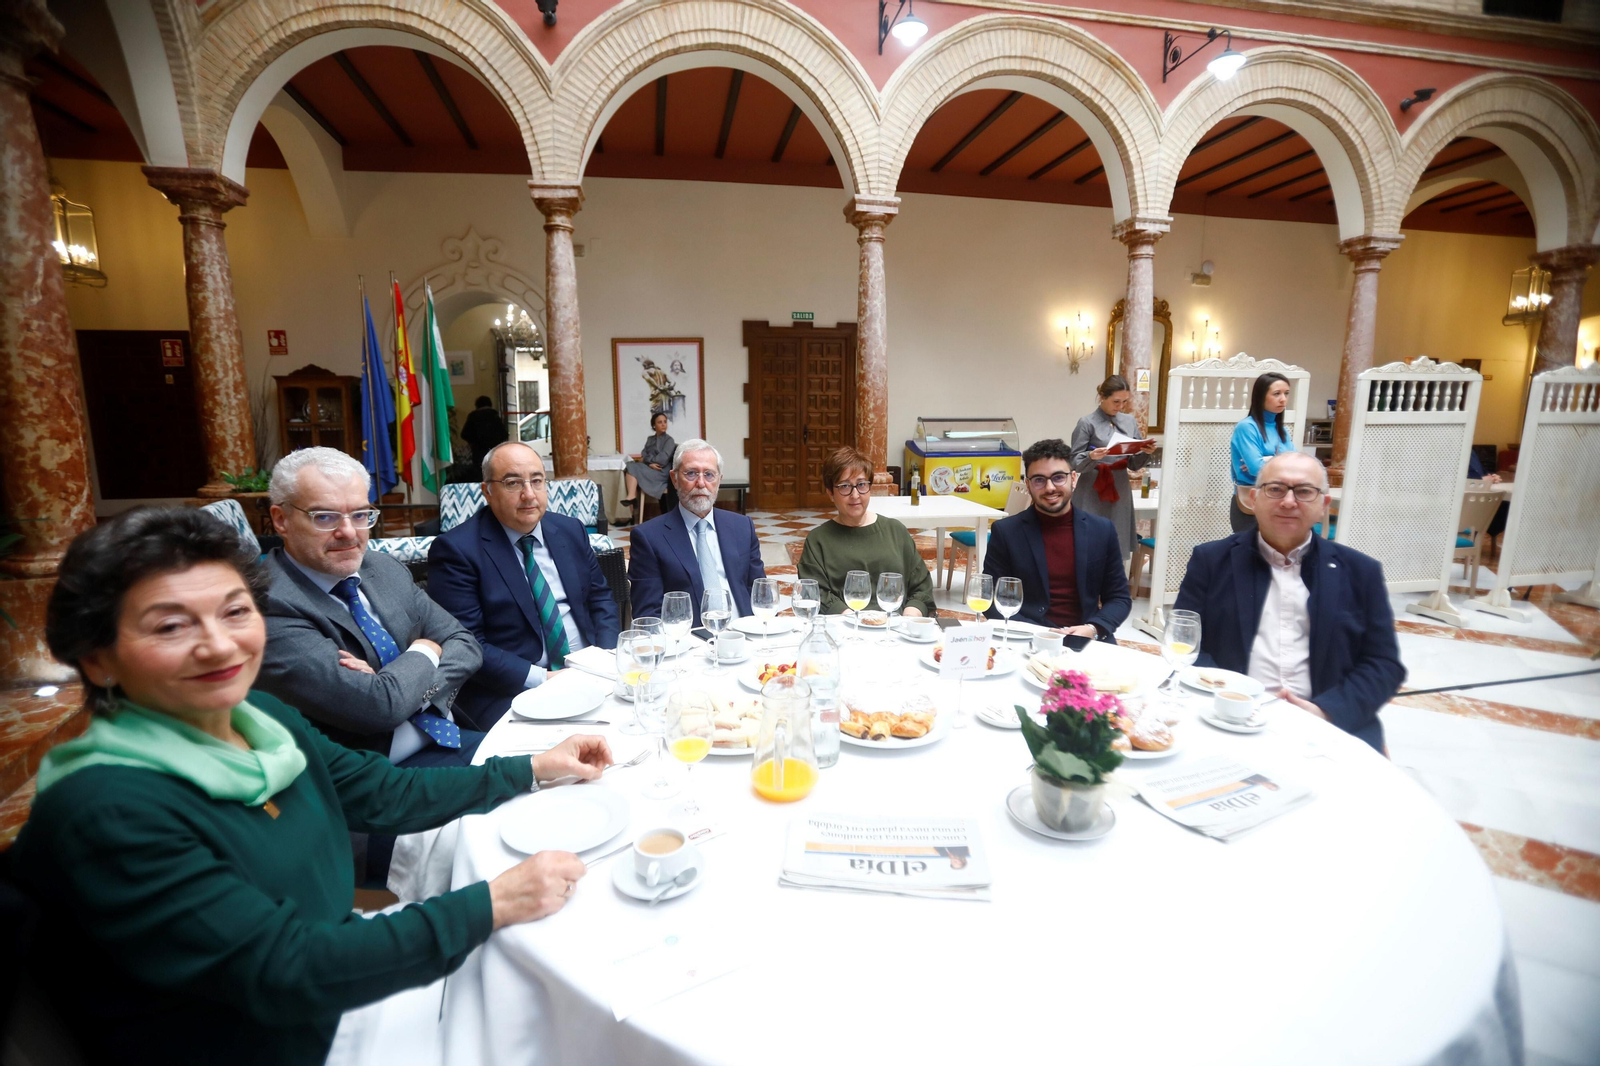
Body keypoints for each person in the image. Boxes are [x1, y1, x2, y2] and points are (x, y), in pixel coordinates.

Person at [7, 507, 612, 1065]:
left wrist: (533, 767)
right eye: (170, 626)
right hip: (279, 1039)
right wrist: (493, 903)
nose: (218, 644)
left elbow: (382, 792)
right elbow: (285, 970)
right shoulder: (107, 809)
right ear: (97, 659)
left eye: (235, 612)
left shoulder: (258, 719)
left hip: (332, 977)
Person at [257, 448, 482, 767]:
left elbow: (465, 644)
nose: (349, 532)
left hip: (450, 734)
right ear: (281, 519)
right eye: (325, 517)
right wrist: (427, 650)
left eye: (360, 515)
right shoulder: (267, 604)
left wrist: (399, 687)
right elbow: (379, 707)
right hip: (378, 771)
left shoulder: (382, 568)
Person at [1173, 452, 1405, 753]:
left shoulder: (1361, 572)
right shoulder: (1211, 560)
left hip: (1327, 727)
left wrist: (1326, 711)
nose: (1288, 501)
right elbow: (1184, 642)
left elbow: (1383, 664)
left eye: (1304, 491)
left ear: (1324, 505)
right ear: (1253, 499)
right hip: (1226, 720)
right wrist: (1229, 698)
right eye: (1276, 489)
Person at [428, 441, 620, 729]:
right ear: (487, 491)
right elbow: (466, 644)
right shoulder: (457, 551)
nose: (529, 494)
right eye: (513, 483)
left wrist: (604, 658)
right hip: (512, 688)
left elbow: (601, 598)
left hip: (591, 673)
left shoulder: (570, 530)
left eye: (537, 481)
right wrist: (544, 678)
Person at [982, 438, 1132, 641]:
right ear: (1028, 485)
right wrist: (1038, 632)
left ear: (1073, 479)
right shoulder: (1006, 532)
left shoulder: (1102, 530)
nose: (1050, 487)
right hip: (1027, 637)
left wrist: (1094, 628)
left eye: (1058, 477)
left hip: (1086, 637)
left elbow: (1119, 597)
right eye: (1039, 480)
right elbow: (991, 599)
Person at [627, 438, 765, 623]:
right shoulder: (649, 537)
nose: (701, 483)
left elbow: (760, 595)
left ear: (719, 480)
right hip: (689, 637)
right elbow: (648, 615)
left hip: (744, 631)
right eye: (691, 473)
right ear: (674, 479)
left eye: (709, 474)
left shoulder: (742, 527)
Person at [798, 446, 936, 617]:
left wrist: (909, 618)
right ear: (831, 493)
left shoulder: (895, 531)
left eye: (861, 484)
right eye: (845, 486)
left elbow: (921, 587)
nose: (855, 495)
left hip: (895, 627)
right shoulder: (818, 540)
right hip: (843, 626)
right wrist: (853, 620)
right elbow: (815, 592)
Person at [1070, 375, 1156, 556]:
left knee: (1118, 538)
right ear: (1102, 396)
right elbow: (1074, 462)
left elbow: (1133, 464)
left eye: (1125, 402)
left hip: (1120, 486)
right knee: (1089, 540)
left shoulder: (1129, 421)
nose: (1120, 406)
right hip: (1092, 486)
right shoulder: (1087, 423)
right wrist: (1091, 456)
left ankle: (1118, 573)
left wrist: (1145, 452)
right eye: (1116, 401)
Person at [1228, 372, 1298, 533]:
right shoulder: (1247, 427)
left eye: (1286, 393)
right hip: (1252, 504)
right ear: (1260, 397)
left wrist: (1267, 460)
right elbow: (1255, 469)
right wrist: (1282, 462)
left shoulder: (1281, 430)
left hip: (1281, 502)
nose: (1283, 399)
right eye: (1276, 394)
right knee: (1253, 549)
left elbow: (1298, 465)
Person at [621, 412, 676, 519]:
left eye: (665, 422)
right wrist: (650, 463)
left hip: (661, 471)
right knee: (630, 465)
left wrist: (648, 461)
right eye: (660, 422)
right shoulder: (650, 439)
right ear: (654, 425)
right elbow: (643, 453)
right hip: (651, 468)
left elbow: (662, 460)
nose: (663, 424)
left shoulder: (669, 440)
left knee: (632, 467)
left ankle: (632, 497)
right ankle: (631, 496)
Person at [460, 394, 508, 468]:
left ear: (477, 406)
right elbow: (504, 434)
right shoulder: (495, 416)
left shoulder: (473, 416)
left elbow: (464, 434)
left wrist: (473, 442)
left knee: (479, 470)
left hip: (478, 451)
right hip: (494, 450)